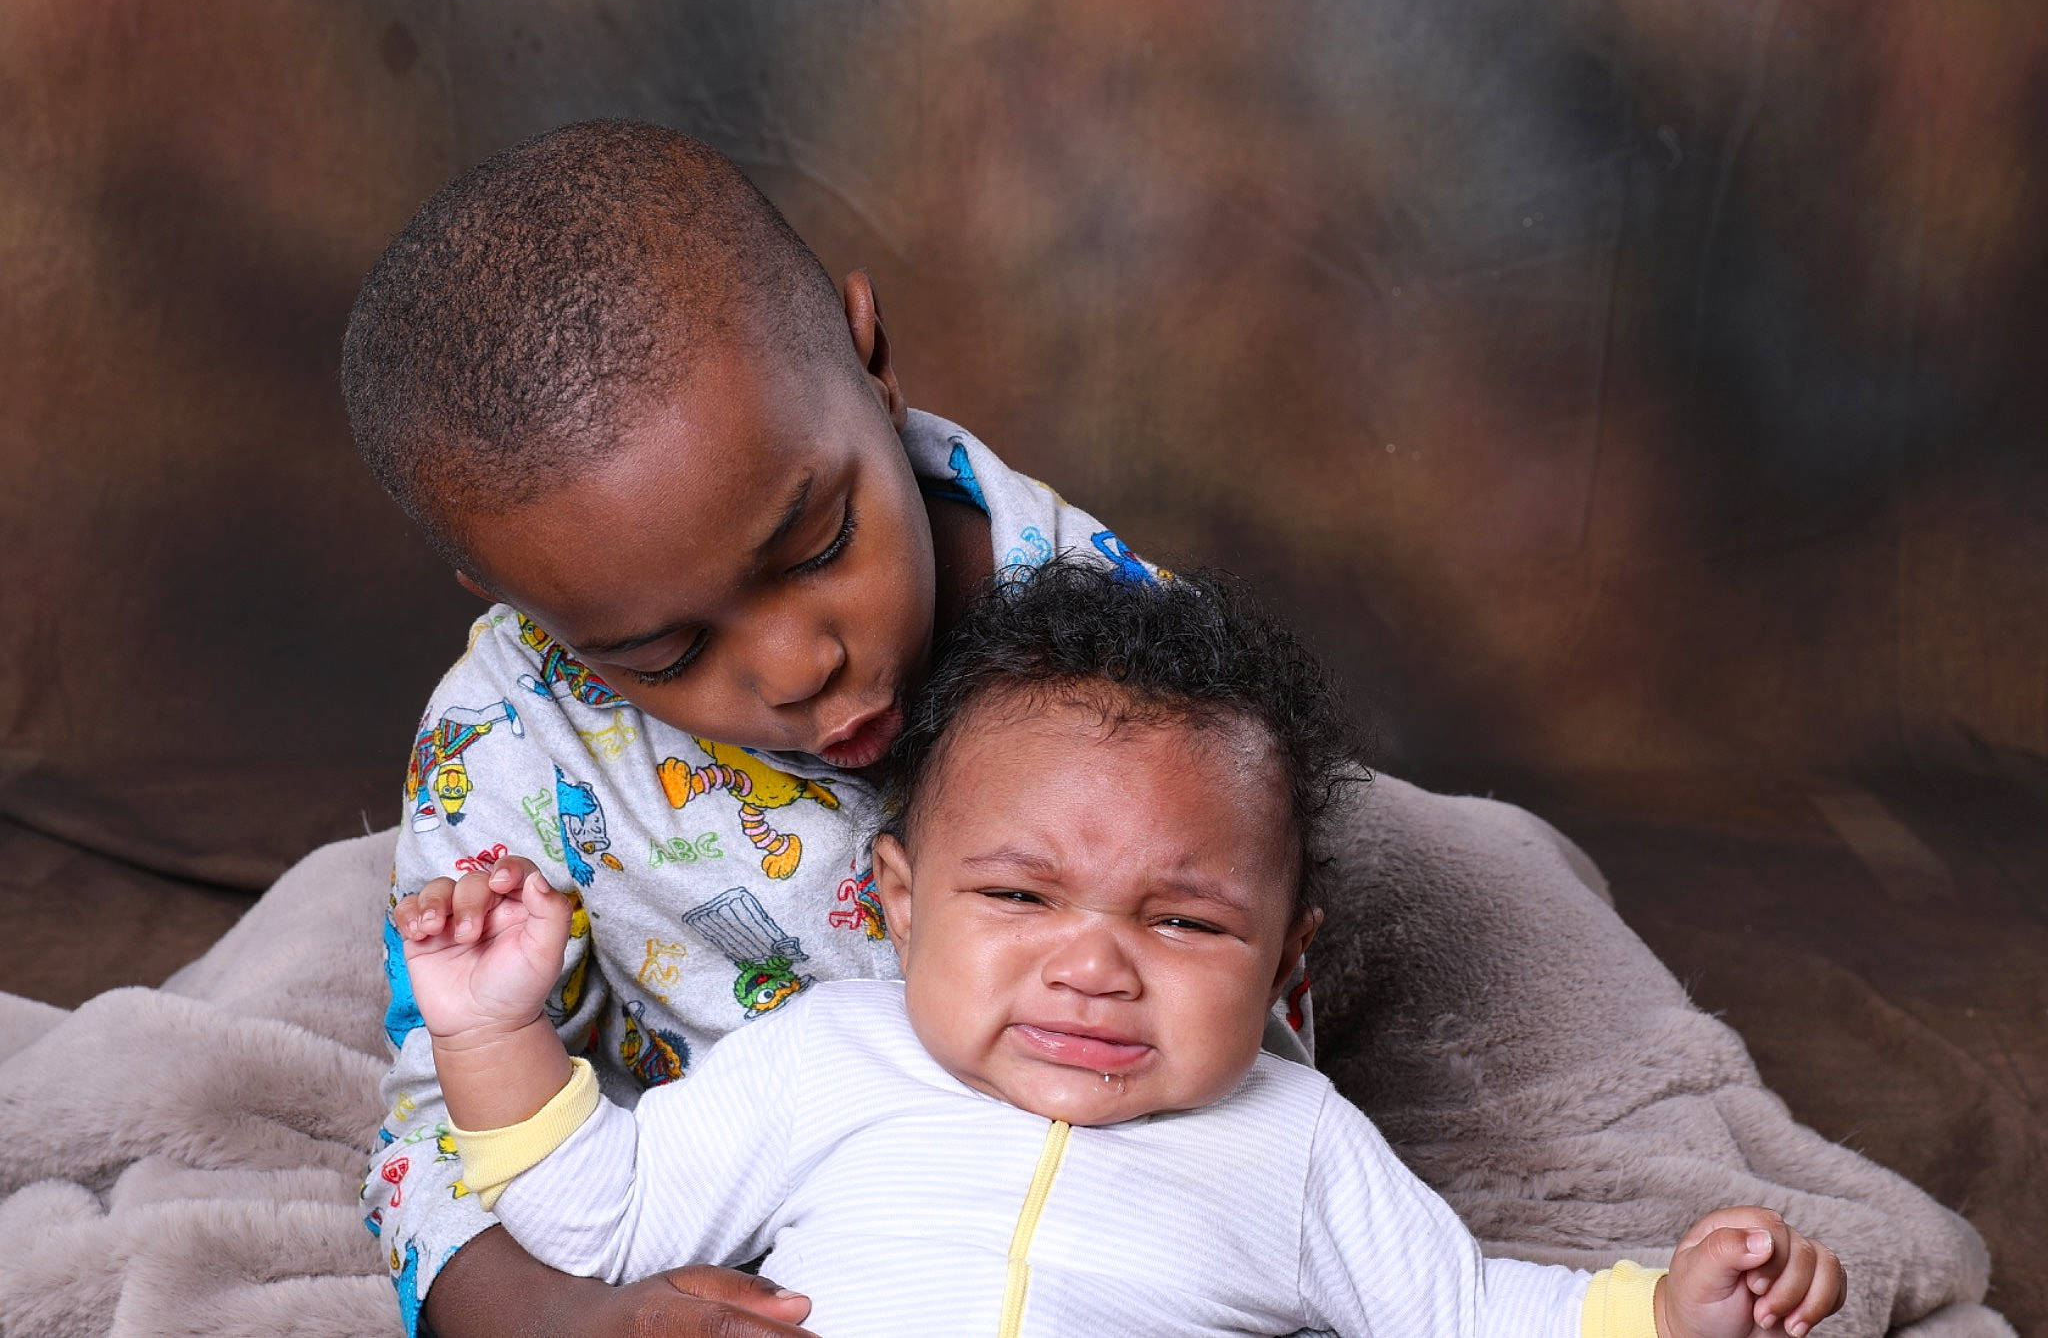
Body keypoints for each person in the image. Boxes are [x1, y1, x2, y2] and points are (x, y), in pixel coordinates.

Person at [399, 562, 1847, 1338]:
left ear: (1286, 967)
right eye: (1021, 898)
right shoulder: (823, 1063)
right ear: (900, 905)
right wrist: (490, 1028)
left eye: (1183, 918)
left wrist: (1663, 1307)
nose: (1093, 965)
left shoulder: (1294, 1144)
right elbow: (604, 1211)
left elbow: (1466, 1314)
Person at [342, 118, 1211, 1337]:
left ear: (872, 365)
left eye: (821, 547)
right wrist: (567, 1322)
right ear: (530, 611)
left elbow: (1249, 1027)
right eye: (666, 653)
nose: (799, 666)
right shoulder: (506, 744)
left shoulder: (1121, 648)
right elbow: (442, 1131)